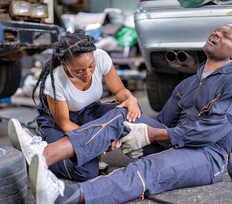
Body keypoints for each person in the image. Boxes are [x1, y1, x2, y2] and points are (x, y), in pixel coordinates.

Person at [9, 23, 232, 204]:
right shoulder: (188, 83)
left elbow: (208, 133)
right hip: (175, 140)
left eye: (226, 35)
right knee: (123, 112)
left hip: (208, 155)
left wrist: (151, 135)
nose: (217, 34)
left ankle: (61, 196)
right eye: (217, 31)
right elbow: (162, 122)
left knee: (148, 169)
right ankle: (43, 154)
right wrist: (133, 131)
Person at [8, 29, 141, 181]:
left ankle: (65, 150)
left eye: (91, 66)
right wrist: (100, 139)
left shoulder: (101, 57)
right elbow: (65, 124)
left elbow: (119, 91)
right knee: (86, 172)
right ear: (65, 65)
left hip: (90, 112)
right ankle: (37, 151)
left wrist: (130, 98)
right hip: (59, 124)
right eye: (79, 70)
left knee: (129, 110)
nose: (87, 73)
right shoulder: (56, 79)